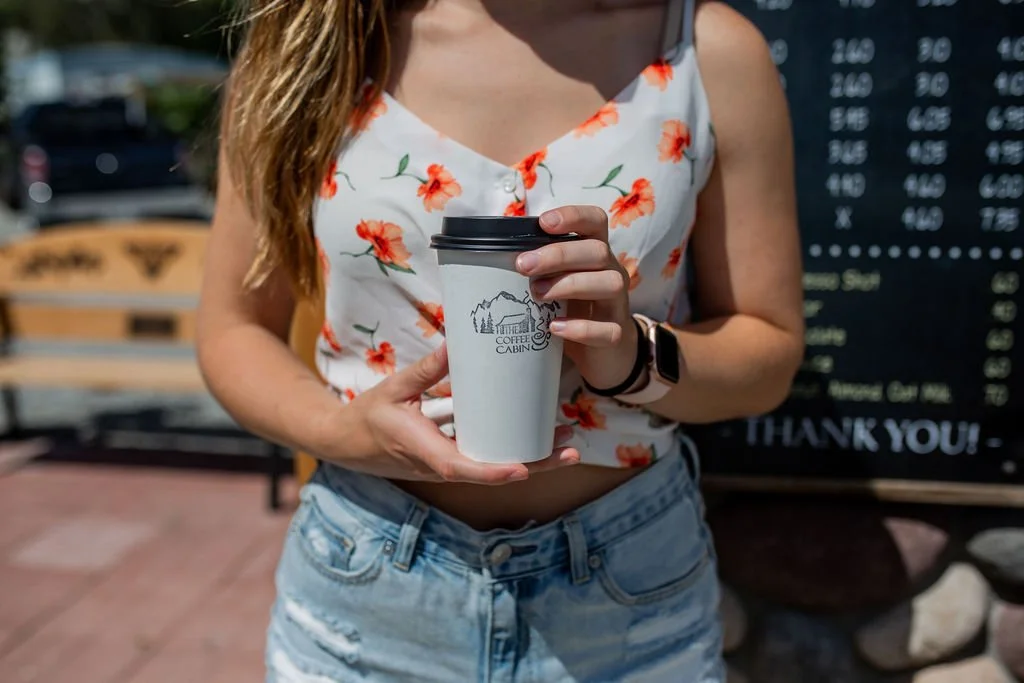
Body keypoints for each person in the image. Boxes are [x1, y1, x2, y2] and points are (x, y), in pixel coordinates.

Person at [197, 0, 803, 679]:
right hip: (366, 589)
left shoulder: (706, 50)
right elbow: (233, 327)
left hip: (631, 602)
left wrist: (633, 356)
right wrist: (345, 433)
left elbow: (768, 352)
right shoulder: (319, 31)